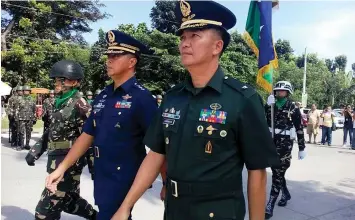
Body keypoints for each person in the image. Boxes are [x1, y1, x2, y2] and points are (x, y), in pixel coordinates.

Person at [111, 1, 280, 219]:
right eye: (182, 37)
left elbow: (257, 171)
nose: (184, 44)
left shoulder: (242, 99)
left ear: (217, 47)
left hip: (217, 212)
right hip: (174, 210)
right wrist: (126, 206)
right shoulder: (173, 97)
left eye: (195, 36)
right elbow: (155, 155)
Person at [45, 30, 157, 219]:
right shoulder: (104, 95)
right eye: (108, 56)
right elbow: (87, 135)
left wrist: (167, 184)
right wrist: (62, 168)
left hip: (124, 176)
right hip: (102, 172)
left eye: (115, 56)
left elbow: (159, 145)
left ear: (132, 62)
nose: (108, 60)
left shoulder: (142, 98)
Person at [25, 60, 96, 220]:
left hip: (69, 165)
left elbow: (91, 137)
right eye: (56, 80)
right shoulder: (60, 102)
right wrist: (36, 151)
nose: (56, 83)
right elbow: (52, 131)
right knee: (68, 203)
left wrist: (94, 167)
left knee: (44, 212)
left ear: (75, 82)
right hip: (55, 161)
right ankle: (97, 216)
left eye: (61, 80)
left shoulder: (80, 105)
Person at [265, 81, 306, 219]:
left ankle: (270, 204)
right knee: (277, 172)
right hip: (271, 143)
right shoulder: (271, 105)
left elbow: (299, 128)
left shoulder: (293, 108)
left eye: (282, 91)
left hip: (285, 146)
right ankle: (286, 194)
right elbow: (263, 120)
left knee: (277, 173)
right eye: (277, 90)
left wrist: (302, 148)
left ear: (288, 92)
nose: (279, 93)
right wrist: (266, 106)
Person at [16, 85, 36, 150]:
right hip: (21, 118)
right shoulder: (19, 99)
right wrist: (16, 119)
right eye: (25, 90)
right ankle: (21, 145)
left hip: (30, 118)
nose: (26, 92)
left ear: (29, 91)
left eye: (28, 90)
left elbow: (34, 110)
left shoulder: (32, 100)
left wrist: (34, 118)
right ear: (23, 91)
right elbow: (17, 109)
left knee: (29, 132)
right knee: (21, 132)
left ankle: (27, 145)